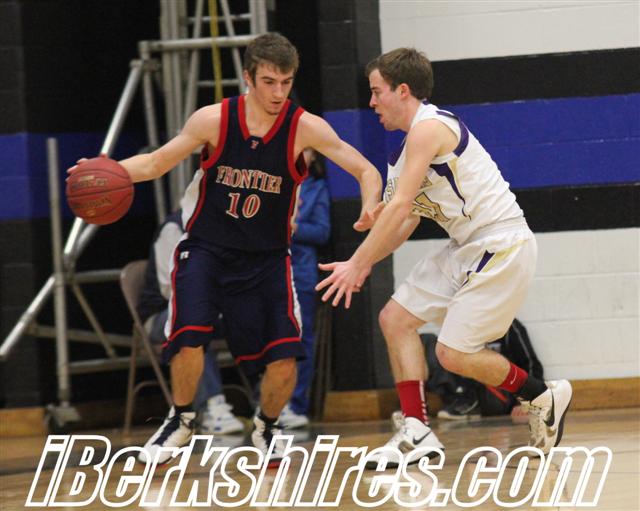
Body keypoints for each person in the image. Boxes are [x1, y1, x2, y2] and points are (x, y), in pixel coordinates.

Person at [70, 33, 381, 466]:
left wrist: (370, 205)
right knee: (188, 336)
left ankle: (267, 427)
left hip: (268, 258)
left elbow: (366, 170)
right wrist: (106, 171)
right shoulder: (213, 120)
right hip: (206, 250)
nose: (278, 93)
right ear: (248, 78)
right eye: (269, 82)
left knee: (285, 357)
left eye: (286, 82)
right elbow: (156, 163)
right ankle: (180, 419)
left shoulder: (304, 127)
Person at [316, 48, 572, 467]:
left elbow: (401, 207)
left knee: (451, 354)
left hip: (501, 242)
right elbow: (404, 222)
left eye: (377, 92)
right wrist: (371, 239)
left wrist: (358, 262)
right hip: (466, 245)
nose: (372, 102)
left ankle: (541, 395)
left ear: (402, 90)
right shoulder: (404, 153)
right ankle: (417, 430)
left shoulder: (430, 127)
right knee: (395, 319)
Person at [136, 209, 244, 435]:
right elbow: (170, 289)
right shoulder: (173, 228)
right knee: (194, 322)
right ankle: (212, 406)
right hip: (160, 315)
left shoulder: (222, 225)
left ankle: (270, 405)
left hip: (212, 308)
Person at [279, 149, 331, 428]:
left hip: (301, 272)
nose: (300, 151)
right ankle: (268, 401)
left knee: (301, 339)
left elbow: (322, 232)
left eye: (307, 148)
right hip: (271, 268)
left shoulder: (316, 187)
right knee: (271, 338)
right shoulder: (274, 180)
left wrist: (294, 227)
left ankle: (295, 404)